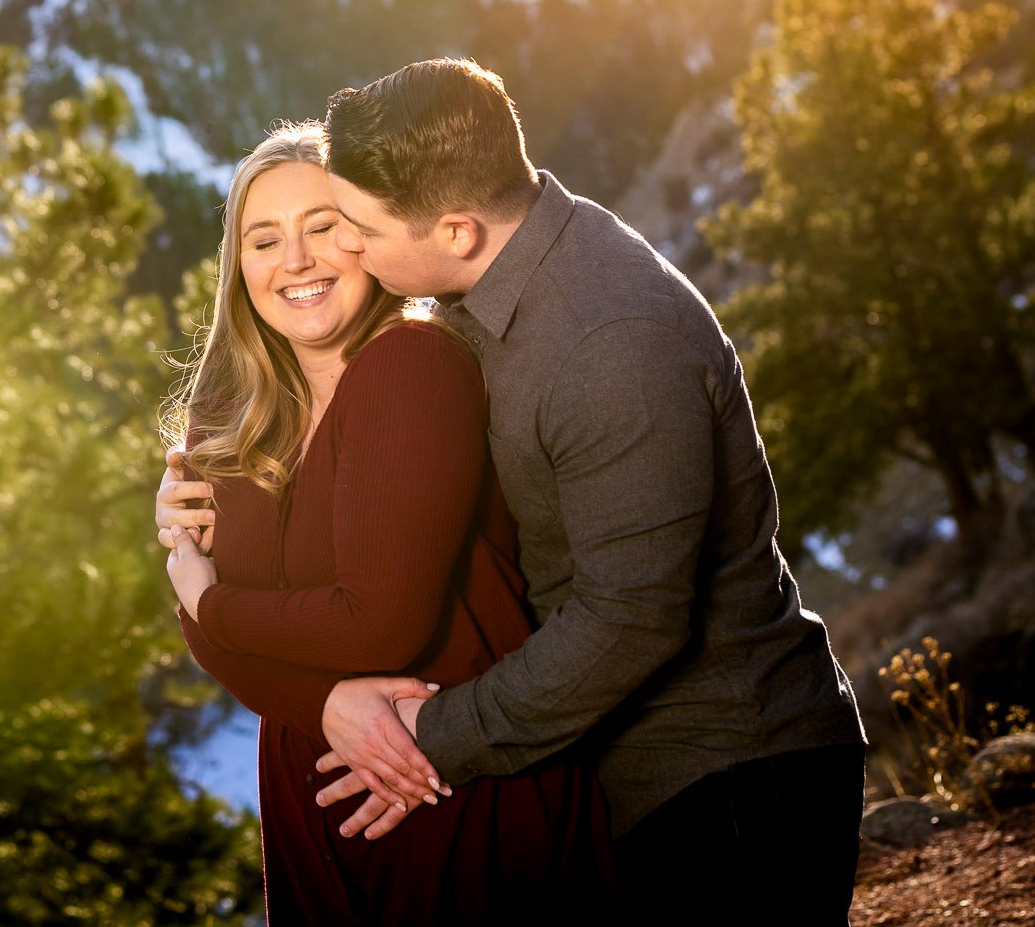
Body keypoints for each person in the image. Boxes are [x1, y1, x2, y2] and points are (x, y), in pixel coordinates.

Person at [290, 57, 869, 923]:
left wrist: (427, 741)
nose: (345, 248)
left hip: (730, 781)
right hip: (635, 776)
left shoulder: (610, 345)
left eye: (362, 231)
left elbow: (630, 619)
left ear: (456, 231)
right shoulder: (492, 275)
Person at [156, 121, 612, 923]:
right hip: (320, 805)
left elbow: (377, 630)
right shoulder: (231, 417)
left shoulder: (413, 364)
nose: (294, 261)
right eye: (265, 240)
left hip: (451, 782)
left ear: (367, 240)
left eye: (322, 227)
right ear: (240, 269)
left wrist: (207, 599)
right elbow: (209, 641)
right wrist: (320, 706)